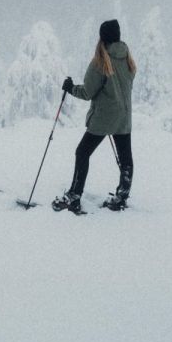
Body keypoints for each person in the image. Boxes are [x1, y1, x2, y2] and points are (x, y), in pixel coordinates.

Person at [54, 18, 136, 213]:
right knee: (125, 159)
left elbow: (87, 92)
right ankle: (121, 198)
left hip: (104, 118)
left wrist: (70, 88)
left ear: (102, 38)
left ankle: (74, 196)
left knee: (82, 152)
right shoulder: (127, 58)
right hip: (124, 117)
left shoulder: (100, 62)